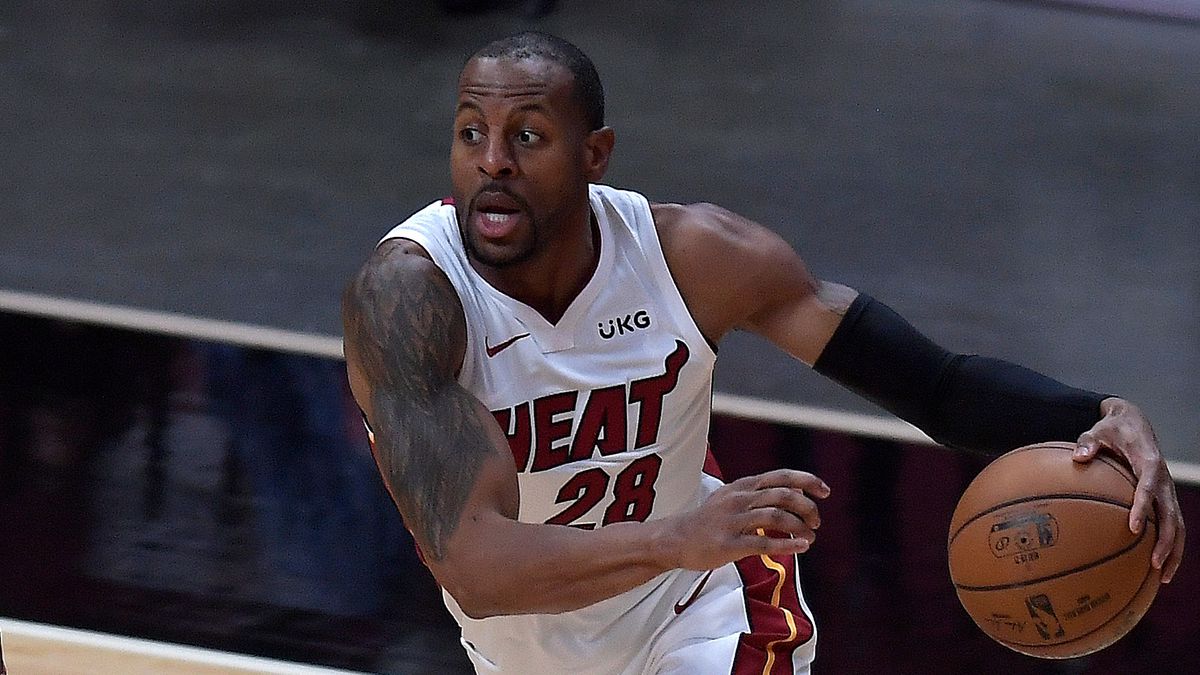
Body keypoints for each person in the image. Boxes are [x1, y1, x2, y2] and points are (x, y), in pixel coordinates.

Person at [341, 31, 1185, 674]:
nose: (492, 162)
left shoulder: (697, 258)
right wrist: (675, 535)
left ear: (594, 155)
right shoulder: (409, 300)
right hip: (530, 639)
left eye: (528, 136)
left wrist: (1099, 414)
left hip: (702, 610)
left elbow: (933, 386)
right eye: (470, 133)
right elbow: (476, 566)